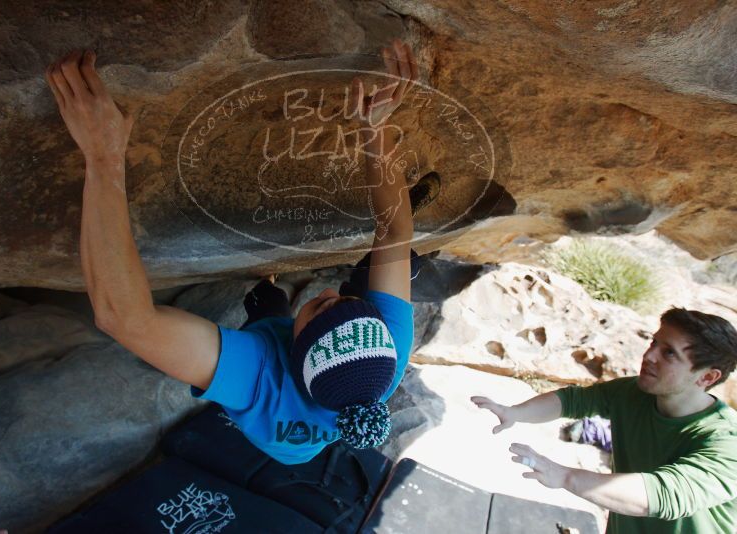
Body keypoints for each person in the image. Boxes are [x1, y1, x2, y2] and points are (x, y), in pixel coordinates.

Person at [45, 40, 429, 464]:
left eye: (319, 310)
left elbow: (123, 318)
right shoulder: (386, 352)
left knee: (268, 309)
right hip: (330, 364)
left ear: (294, 349)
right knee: (390, 260)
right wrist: (373, 130)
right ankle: (357, 289)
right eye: (351, 305)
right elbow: (395, 227)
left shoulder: (258, 375)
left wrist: (103, 155)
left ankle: (265, 297)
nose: (325, 294)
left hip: (286, 441)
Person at [472, 307, 737, 533]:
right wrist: (516, 412)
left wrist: (565, 476)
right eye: (654, 343)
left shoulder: (726, 442)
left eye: (669, 353)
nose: (649, 356)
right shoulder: (635, 393)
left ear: (707, 378)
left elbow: (664, 495)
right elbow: (574, 400)